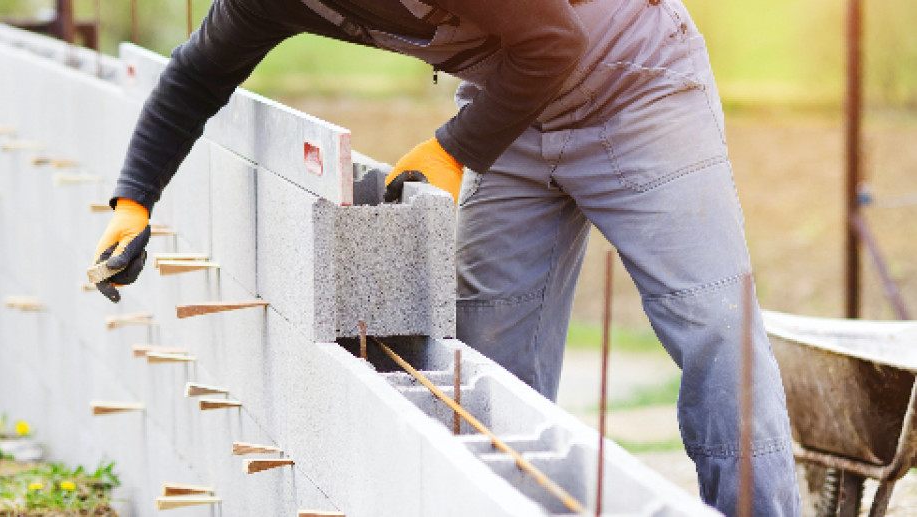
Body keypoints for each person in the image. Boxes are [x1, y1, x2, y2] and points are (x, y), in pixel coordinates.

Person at [87, 0, 800, 513]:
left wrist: (454, 151)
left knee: (713, 327)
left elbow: (555, 38)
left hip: (636, 86)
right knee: (486, 364)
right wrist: (134, 201)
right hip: (517, 105)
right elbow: (193, 79)